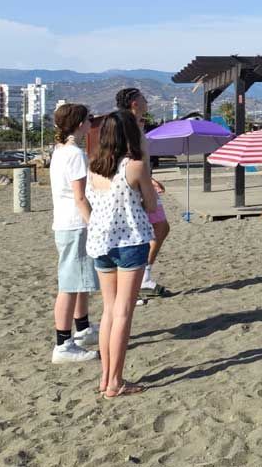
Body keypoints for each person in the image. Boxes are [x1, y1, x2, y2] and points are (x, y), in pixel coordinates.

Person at [86, 110, 157, 397]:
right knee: (123, 312)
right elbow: (151, 206)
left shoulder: (94, 167)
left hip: (101, 243)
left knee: (108, 311)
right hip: (130, 241)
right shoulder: (135, 167)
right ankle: (115, 381)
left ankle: (106, 377)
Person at [49, 104, 99, 364]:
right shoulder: (75, 154)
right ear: (80, 123)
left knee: (79, 281)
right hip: (74, 224)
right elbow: (80, 197)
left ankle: (82, 329)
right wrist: (95, 224)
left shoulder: (60, 151)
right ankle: (63, 343)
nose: (91, 122)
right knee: (68, 285)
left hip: (66, 223)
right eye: (89, 119)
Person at [116, 88, 168, 294]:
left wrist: (150, 178)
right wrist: (143, 179)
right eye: (144, 99)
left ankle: (142, 275)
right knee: (153, 229)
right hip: (134, 185)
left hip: (142, 180)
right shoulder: (124, 125)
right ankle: (141, 277)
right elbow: (127, 156)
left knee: (159, 228)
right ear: (134, 103)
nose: (147, 102)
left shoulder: (135, 125)